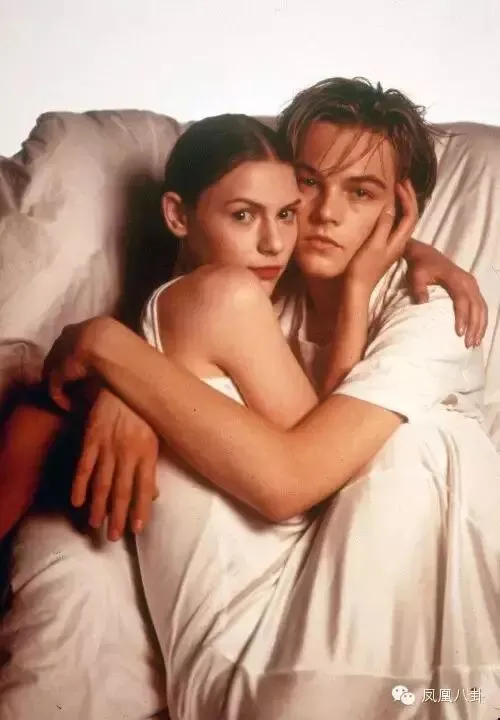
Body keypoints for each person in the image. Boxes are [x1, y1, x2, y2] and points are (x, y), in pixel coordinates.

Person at [37, 78, 500, 720]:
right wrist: (129, 390)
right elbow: (202, 277)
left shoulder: (432, 312)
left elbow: (304, 481)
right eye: (308, 184)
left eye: (361, 193)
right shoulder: (259, 279)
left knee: (420, 438)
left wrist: (108, 347)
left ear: (400, 211)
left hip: (365, 604)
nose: (325, 214)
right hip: (260, 618)